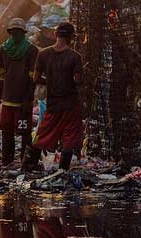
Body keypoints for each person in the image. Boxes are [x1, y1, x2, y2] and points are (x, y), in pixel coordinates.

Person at [22, 22, 84, 172]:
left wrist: (50, 79)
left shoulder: (43, 54)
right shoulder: (75, 57)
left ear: (55, 35)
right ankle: (62, 172)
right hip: (71, 104)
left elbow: (35, 79)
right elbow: (78, 81)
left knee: (42, 135)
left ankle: (27, 168)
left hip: (53, 104)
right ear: (71, 38)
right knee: (69, 138)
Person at [0, 18, 39, 166]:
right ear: (9, 32)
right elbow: (1, 75)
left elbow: (33, 77)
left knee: (25, 132)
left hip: (23, 101)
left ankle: (25, 161)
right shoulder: (3, 49)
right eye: (13, 31)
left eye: (18, 31)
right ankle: (7, 160)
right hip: (7, 99)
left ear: (23, 32)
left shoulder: (32, 50)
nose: (15, 34)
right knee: (6, 132)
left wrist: (28, 99)